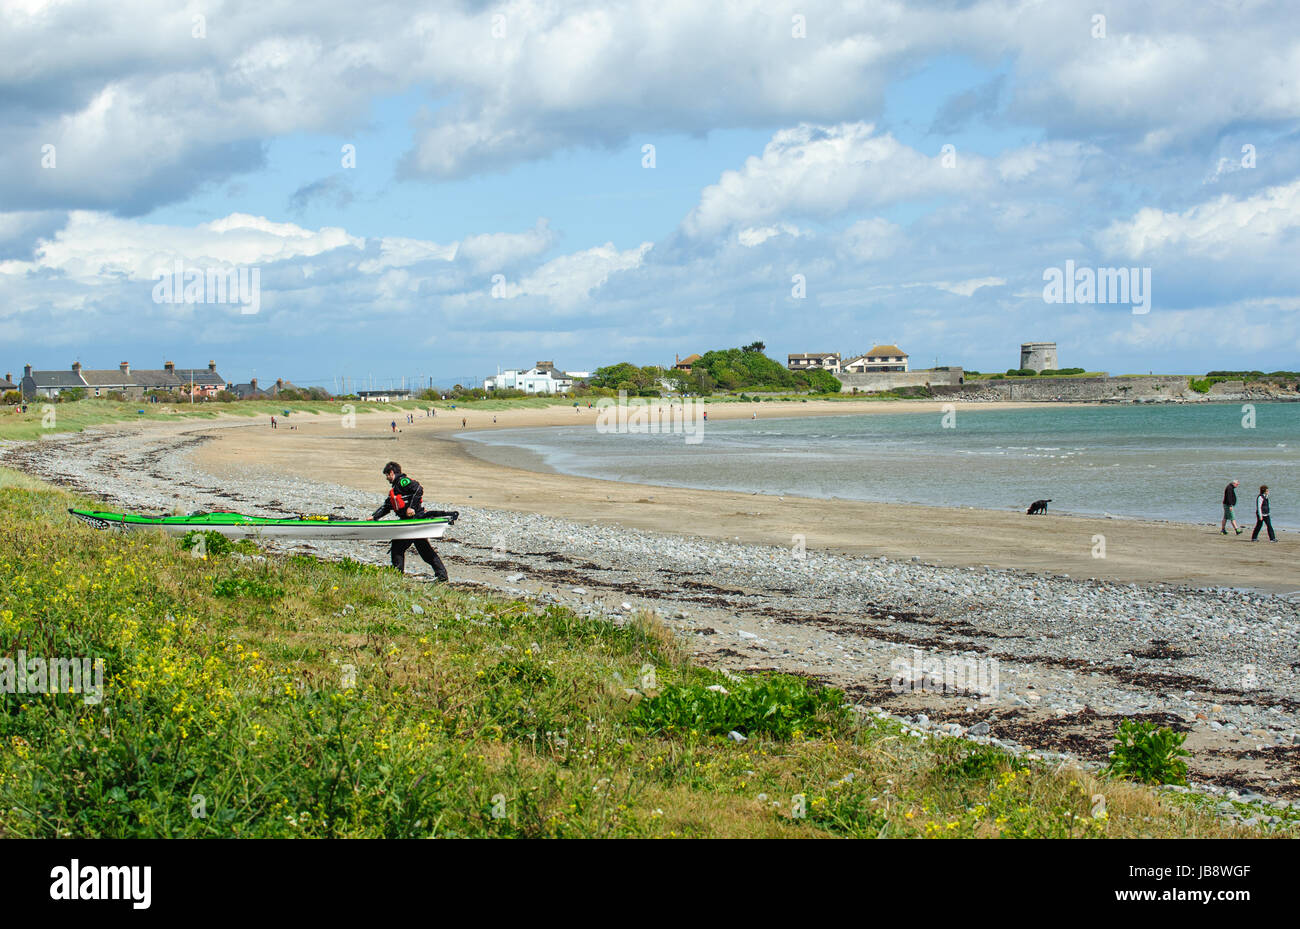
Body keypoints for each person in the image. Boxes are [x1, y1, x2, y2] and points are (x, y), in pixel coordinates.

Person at [371, 461, 451, 579]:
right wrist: (374, 517)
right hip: (408, 523)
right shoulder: (395, 490)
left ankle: (397, 576)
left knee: (398, 547)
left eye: (387, 475)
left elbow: (418, 489)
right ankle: (441, 575)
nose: (387, 478)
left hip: (414, 521)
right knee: (424, 550)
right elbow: (387, 506)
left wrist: (411, 507)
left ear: (391, 473)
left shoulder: (403, 482)